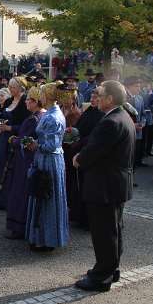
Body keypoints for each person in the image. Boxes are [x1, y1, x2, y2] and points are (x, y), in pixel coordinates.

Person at [72, 80, 135, 291]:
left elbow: (94, 150)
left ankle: (101, 277)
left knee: (104, 232)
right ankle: (111, 269)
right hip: (115, 183)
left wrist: (79, 159)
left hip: (105, 185)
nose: (96, 97)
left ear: (110, 99)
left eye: (100, 94)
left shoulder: (111, 121)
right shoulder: (123, 116)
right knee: (114, 229)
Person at [25, 82, 69, 252]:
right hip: (47, 159)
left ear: (48, 97)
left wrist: (35, 145)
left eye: (42, 93)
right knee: (43, 196)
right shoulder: (52, 113)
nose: (40, 96)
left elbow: (51, 145)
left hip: (49, 160)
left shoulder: (52, 117)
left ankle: (46, 239)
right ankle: (42, 237)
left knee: (46, 196)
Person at [5, 86, 42, 239]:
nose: (26, 102)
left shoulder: (35, 118)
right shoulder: (37, 116)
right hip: (26, 159)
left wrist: (13, 140)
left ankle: (19, 227)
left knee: (21, 192)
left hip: (25, 160)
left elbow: (26, 140)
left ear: (36, 102)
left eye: (29, 100)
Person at [65, 90, 105, 227]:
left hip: (89, 153)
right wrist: (73, 131)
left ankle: (87, 219)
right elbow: (80, 126)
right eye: (92, 97)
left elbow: (96, 135)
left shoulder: (103, 114)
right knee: (78, 186)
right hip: (79, 150)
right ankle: (77, 214)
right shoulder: (88, 111)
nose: (93, 100)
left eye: (96, 97)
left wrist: (80, 142)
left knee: (88, 188)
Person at [0, 79, 31, 208]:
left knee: (12, 169)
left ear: (20, 88)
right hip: (3, 139)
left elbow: (27, 125)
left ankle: (9, 200)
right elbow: (1, 118)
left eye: (13, 87)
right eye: (9, 87)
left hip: (15, 139)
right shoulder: (8, 101)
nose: (10, 89)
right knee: (0, 166)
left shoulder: (25, 103)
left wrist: (9, 128)